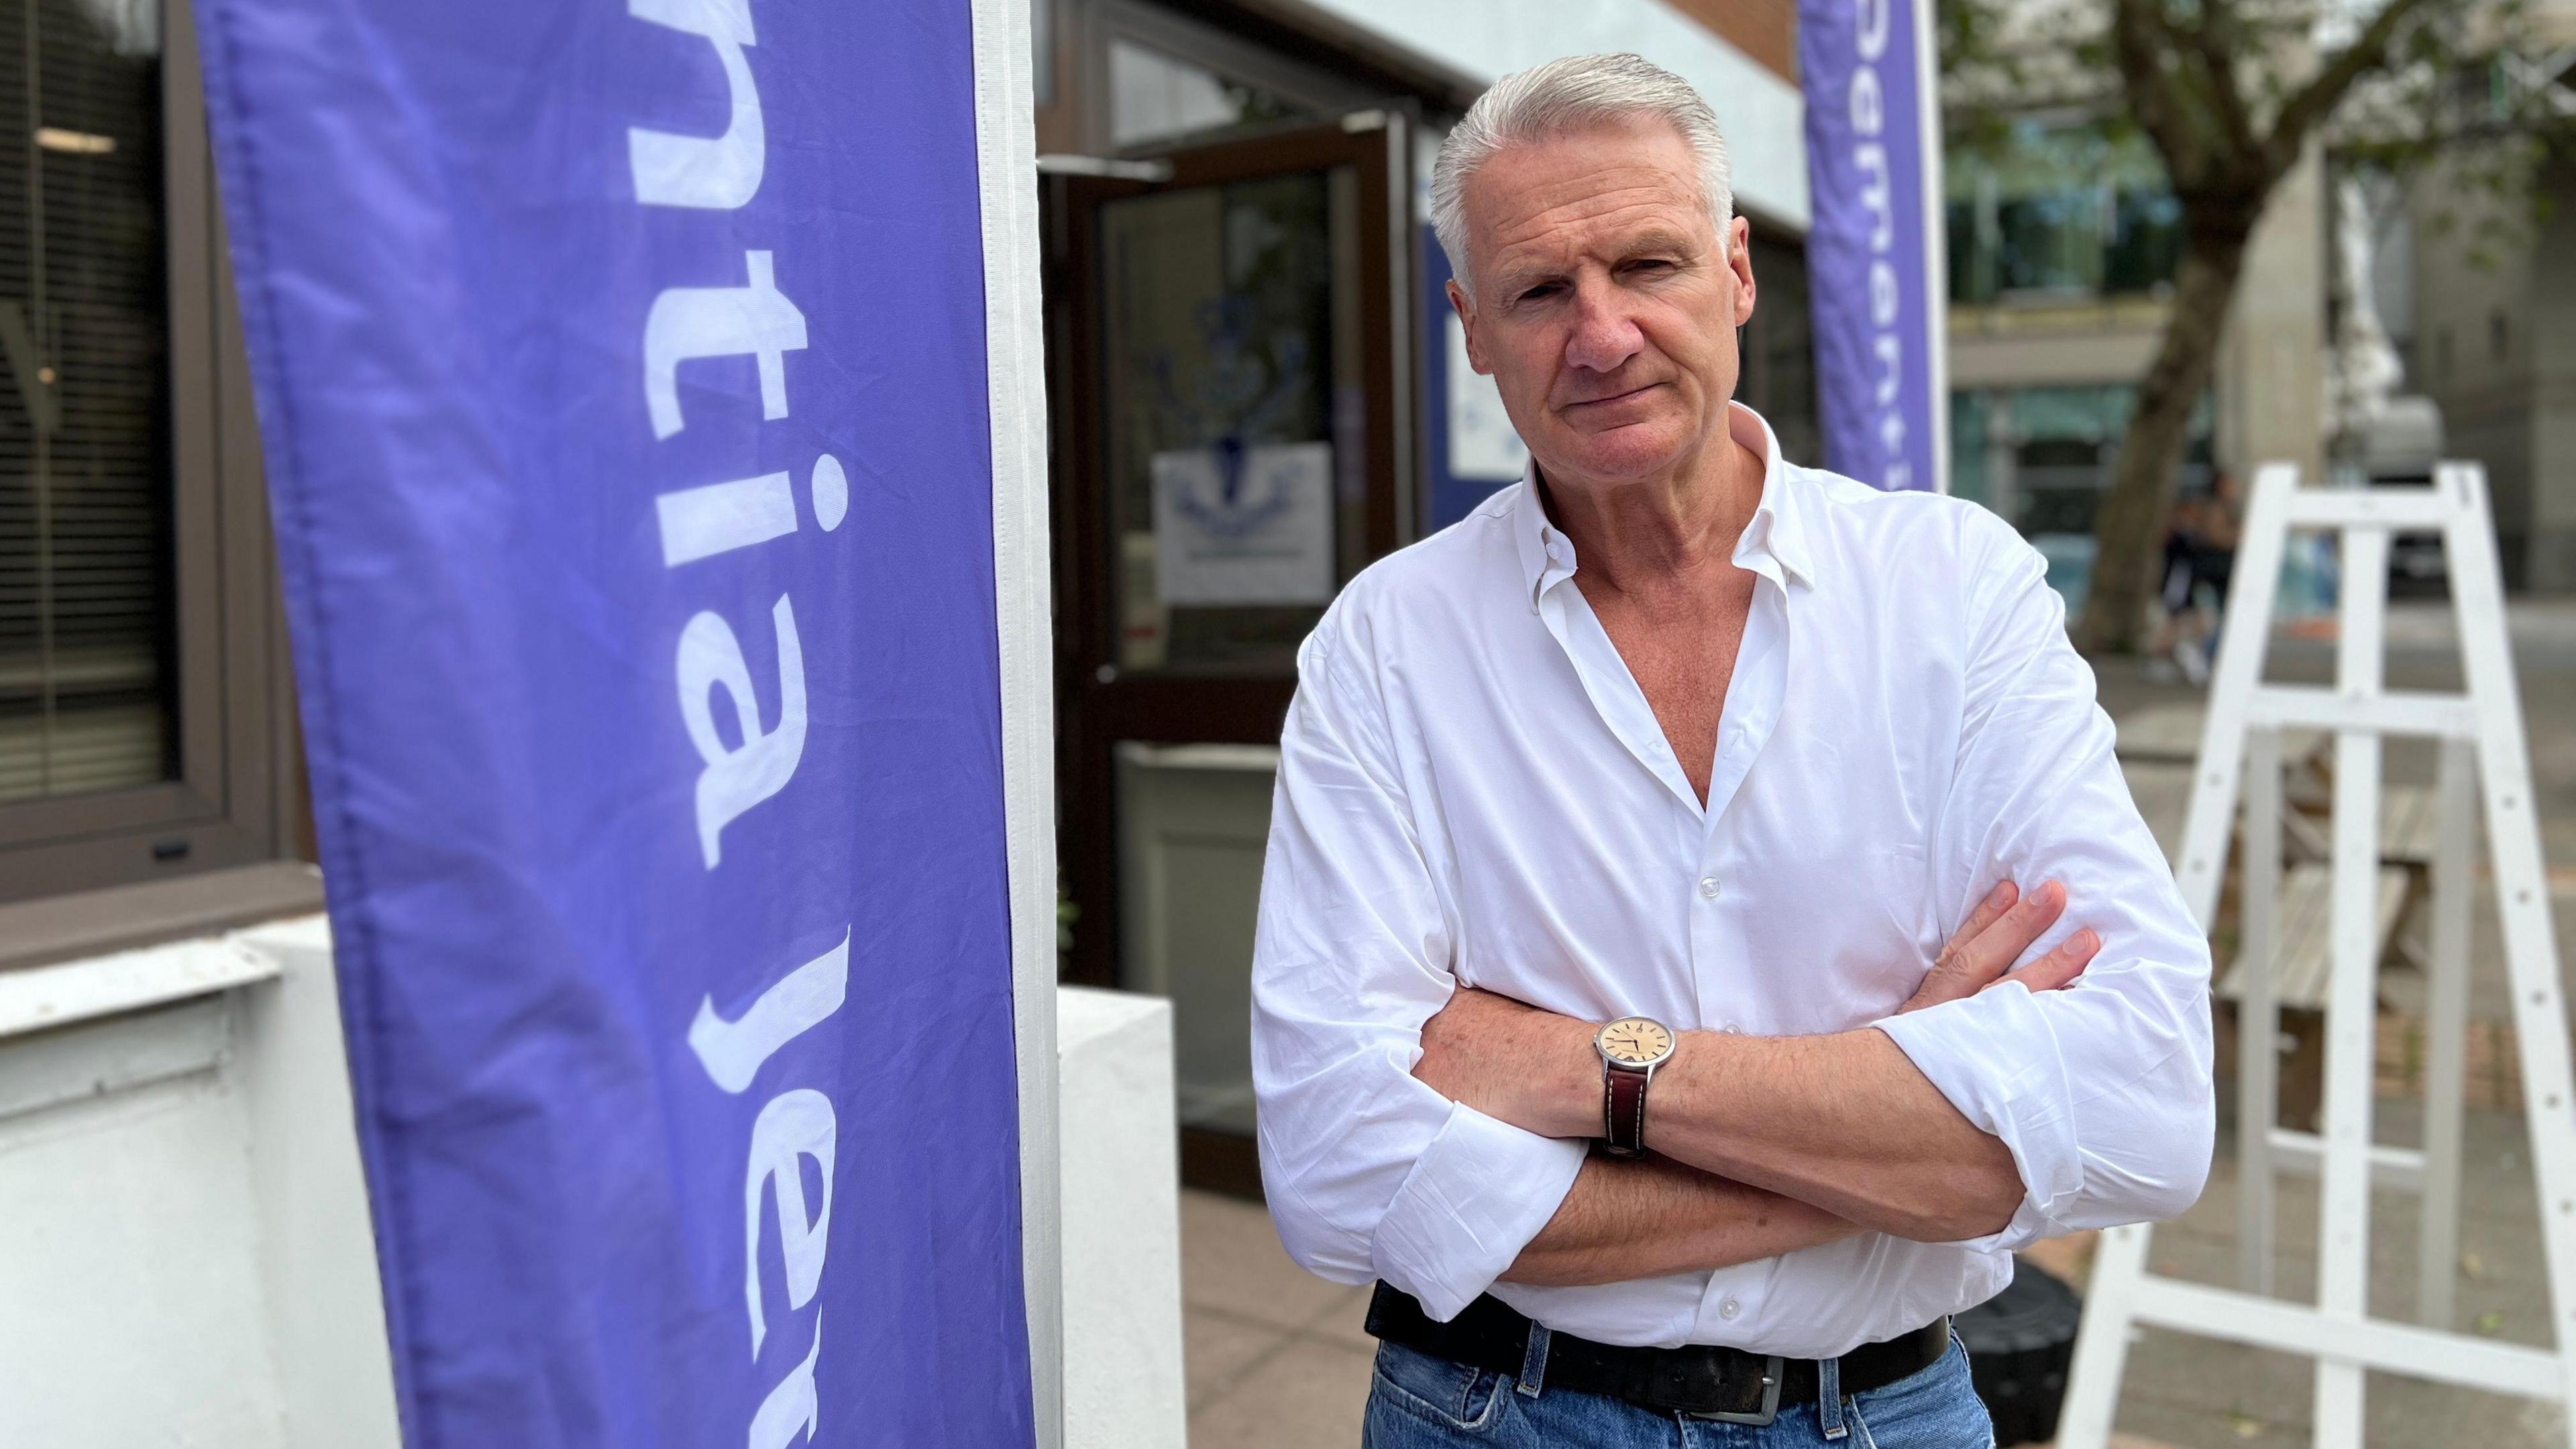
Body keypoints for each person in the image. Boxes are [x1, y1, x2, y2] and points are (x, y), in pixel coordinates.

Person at [1248, 54, 2214, 1448]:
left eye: (1647, 263)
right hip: (1494, 1413)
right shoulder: (1383, 647)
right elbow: (1339, 1177)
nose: (1602, 335)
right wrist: (1896, 1132)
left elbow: (2146, 1107)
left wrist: (1589, 1069)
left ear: (1738, 270)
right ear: (1470, 327)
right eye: (1537, 291)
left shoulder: (1954, 590)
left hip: (1886, 1411)